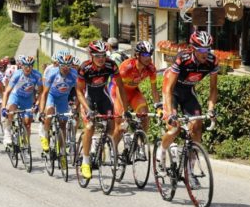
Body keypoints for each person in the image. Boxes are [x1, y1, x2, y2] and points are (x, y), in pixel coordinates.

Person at [157, 30, 218, 186]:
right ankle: (162, 150)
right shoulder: (182, 59)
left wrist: (211, 110)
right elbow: (169, 89)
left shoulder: (212, 61)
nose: (206, 53)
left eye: (208, 48)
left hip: (188, 92)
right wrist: (170, 113)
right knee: (174, 128)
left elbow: (213, 89)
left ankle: (189, 171)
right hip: (172, 91)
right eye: (202, 50)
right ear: (193, 48)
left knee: (197, 127)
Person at [76, 40, 129, 179]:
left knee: (112, 124)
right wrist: (87, 109)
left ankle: (100, 147)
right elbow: (79, 92)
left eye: (103, 55)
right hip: (88, 97)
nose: (101, 58)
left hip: (103, 96)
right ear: (91, 55)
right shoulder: (84, 68)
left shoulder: (110, 65)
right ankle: (86, 162)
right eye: (97, 55)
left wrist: (126, 109)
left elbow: (121, 87)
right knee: (89, 126)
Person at [111, 41, 161, 146]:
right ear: (137, 55)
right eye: (145, 54)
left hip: (133, 92)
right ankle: (113, 150)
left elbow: (154, 90)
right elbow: (120, 88)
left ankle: (139, 146)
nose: (149, 58)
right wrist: (125, 110)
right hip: (119, 92)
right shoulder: (126, 67)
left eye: (150, 54)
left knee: (144, 117)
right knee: (121, 125)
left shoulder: (151, 68)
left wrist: (158, 107)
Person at [39, 53, 77, 153]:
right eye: (63, 65)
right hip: (51, 95)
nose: (66, 68)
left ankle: (62, 151)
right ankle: (45, 134)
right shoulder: (52, 73)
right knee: (50, 111)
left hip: (63, 98)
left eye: (68, 65)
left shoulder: (74, 74)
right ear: (58, 65)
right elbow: (44, 93)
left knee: (63, 124)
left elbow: (79, 92)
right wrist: (42, 111)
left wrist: (76, 107)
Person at [1, 56, 42, 145]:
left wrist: (37, 104)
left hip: (27, 99)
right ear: (21, 66)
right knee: (11, 111)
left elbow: (41, 92)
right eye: (26, 66)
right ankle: (7, 132)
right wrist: (4, 108)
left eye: (30, 66)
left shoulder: (37, 75)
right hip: (15, 96)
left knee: (27, 123)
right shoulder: (17, 75)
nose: (28, 68)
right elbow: (7, 92)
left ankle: (26, 146)